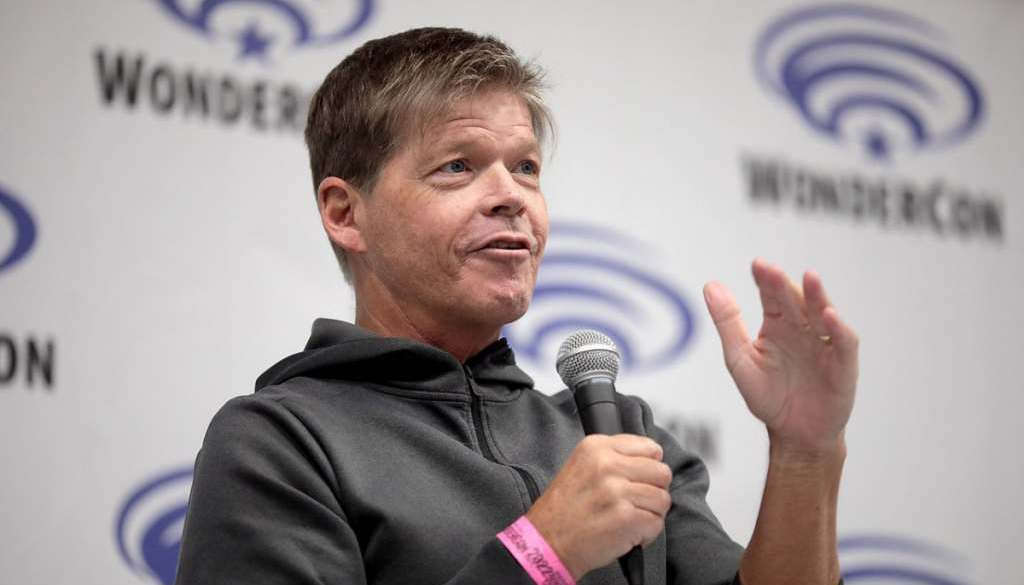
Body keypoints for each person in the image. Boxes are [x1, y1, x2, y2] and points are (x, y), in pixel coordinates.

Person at [174, 27, 857, 585]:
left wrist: (806, 453)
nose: (512, 196)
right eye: (458, 166)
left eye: (526, 167)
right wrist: (542, 551)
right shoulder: (278, 442)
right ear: (345, 212)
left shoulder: (619, 435)